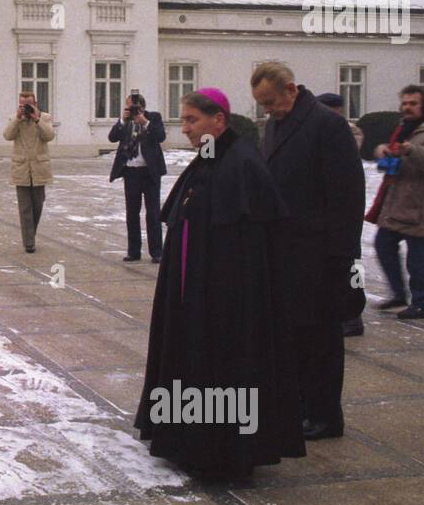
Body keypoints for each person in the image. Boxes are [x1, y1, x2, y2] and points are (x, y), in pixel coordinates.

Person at [134, 88, 304, 478]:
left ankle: (218, 450)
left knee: (220, 366)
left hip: (225, 300)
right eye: (185, 120)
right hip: (195, 292)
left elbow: (246, 245)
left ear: (219, 120)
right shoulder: (211, 158)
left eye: (193, 120)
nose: (187, 129)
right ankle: (187, 439)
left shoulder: (242, 164)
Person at [252, 63, 365, 441]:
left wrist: (342, 258)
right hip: (284, 252)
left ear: (290, 89)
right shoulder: (276, 124)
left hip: (318, 256)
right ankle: (300, 405)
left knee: (321, 339)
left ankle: (325, 415)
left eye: (270, 102)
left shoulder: (326, 125)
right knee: (295, 336)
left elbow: (348, 195)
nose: (267, 110)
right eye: (261, 105)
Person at [367, 85, 424, 320]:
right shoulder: (404, 127)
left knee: (419, 255)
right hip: (397, 197)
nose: (407, 107)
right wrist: (382, 150)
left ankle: (421, 302)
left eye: (413, 103)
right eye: (405, 103)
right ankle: (399, 294)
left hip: (419, 202)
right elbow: (394, 150)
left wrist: (410, 149)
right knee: (383, 243)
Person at [317, 92, 366, 338]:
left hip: (347, 209)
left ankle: (354, 314)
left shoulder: (347, 132)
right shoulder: (324, 129)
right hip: (333, 208)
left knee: (353, 265)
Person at [108, 92, 167, 263]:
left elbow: (161, 136)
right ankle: (134, 251)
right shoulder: (125, 122)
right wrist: (122, 120)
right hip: (131, 172)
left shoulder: (153, 118)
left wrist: (145, 123)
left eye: (134, 108)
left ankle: (157, 252)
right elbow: (112, 137)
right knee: (132, 213)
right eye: (128, 107)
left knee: (153, 213)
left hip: (150, 172)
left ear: (142, 107)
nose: (131, 110)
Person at [3, 90, 55, 253]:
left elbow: (49, 136)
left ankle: (30, 234)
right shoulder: (15, 119)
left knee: (37, 206)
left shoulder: (45, 118)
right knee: (25, 208)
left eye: (28, 105)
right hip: (22, 168)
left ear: (35, 104)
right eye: (22, 105)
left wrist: (36, 119)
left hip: (39, 168)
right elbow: (7, 135)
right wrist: (18, 118)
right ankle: (29, 242)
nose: (25, 108)